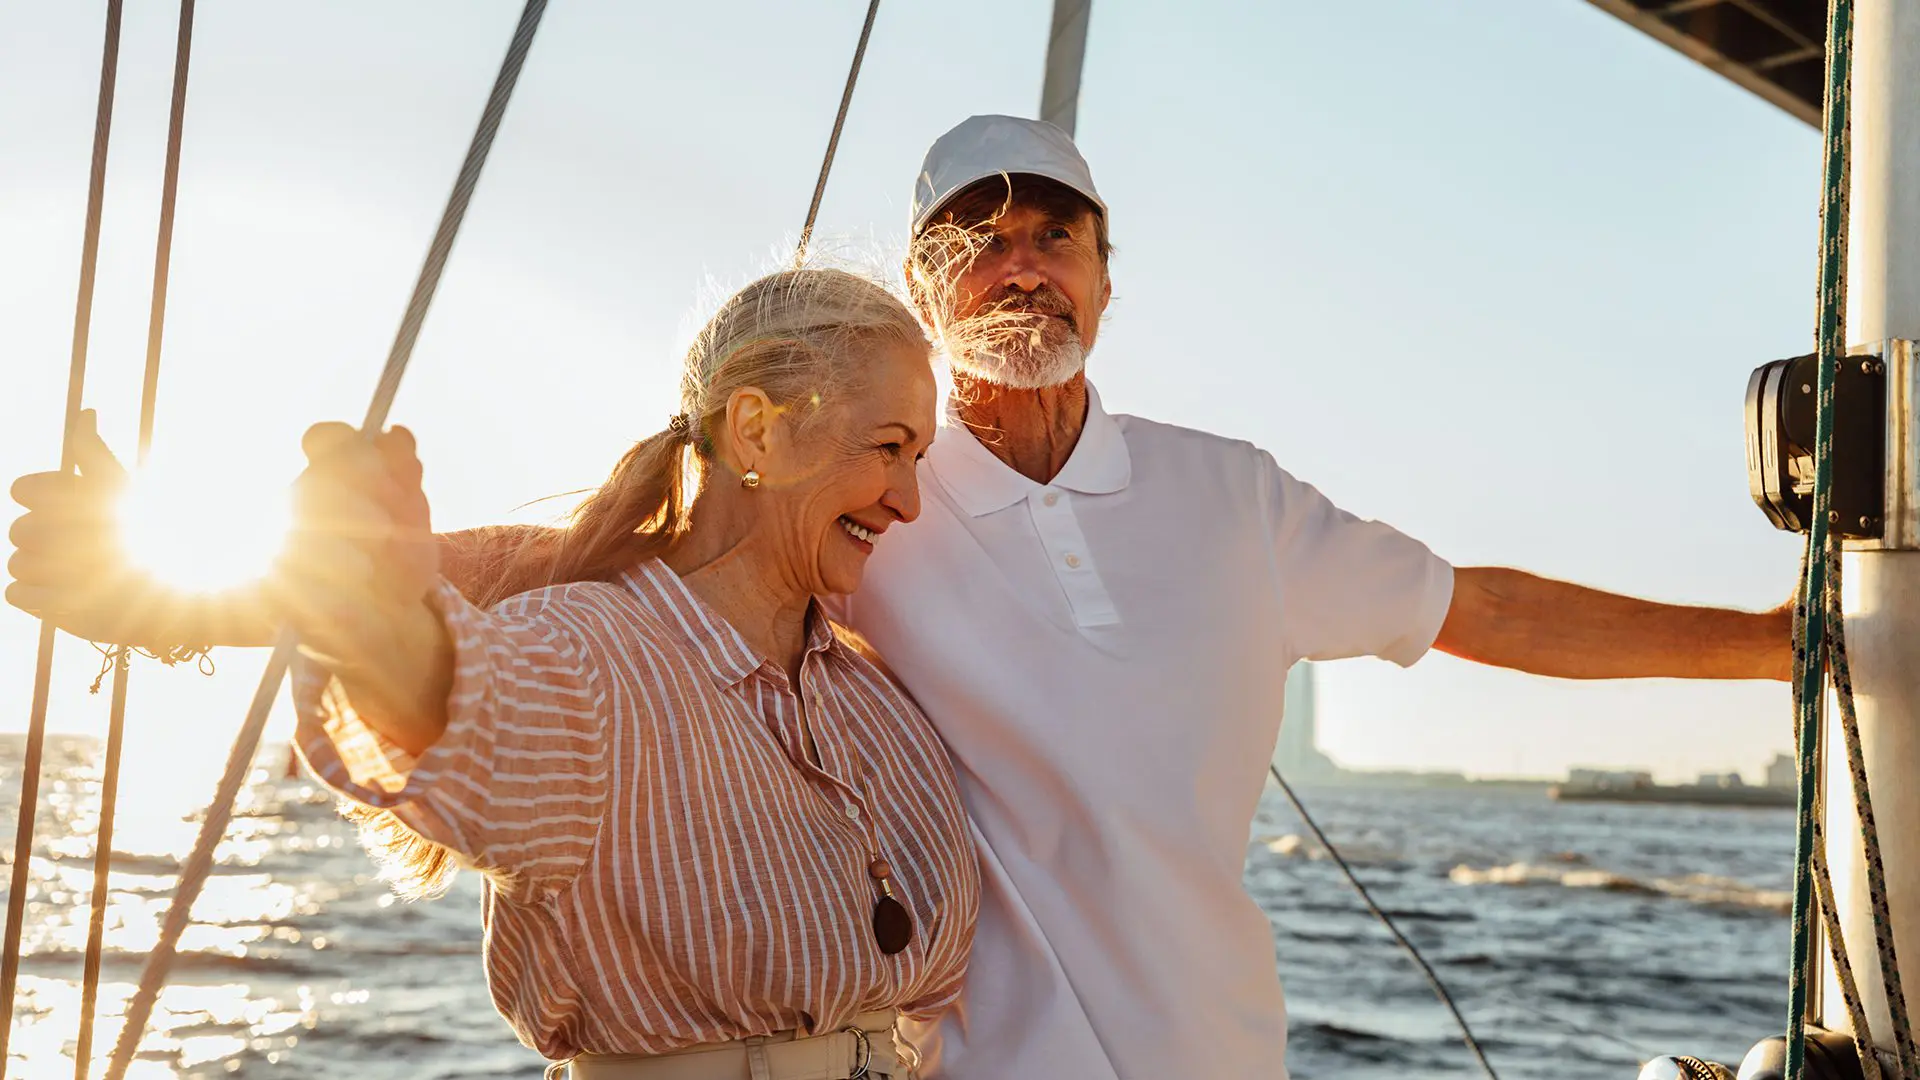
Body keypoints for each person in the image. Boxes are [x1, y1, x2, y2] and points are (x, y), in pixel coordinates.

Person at [10, 118, 1794, 1079]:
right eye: (977, 234)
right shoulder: (844, 505)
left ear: (1108, 269)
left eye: (1057, 228)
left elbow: (1480, 606)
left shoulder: (1229, 496)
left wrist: (1790, 653)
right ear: (928, 284)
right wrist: (184, 594)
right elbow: (509, 595)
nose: (1023, 254)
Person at [9, 268, 979, 1080]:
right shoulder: (595, 660)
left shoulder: (873, 696)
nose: (907, 498)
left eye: (919, 458)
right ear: (759, 434)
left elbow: (486, 564)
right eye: (888, 449)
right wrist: (364, 612)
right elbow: (465, 702)